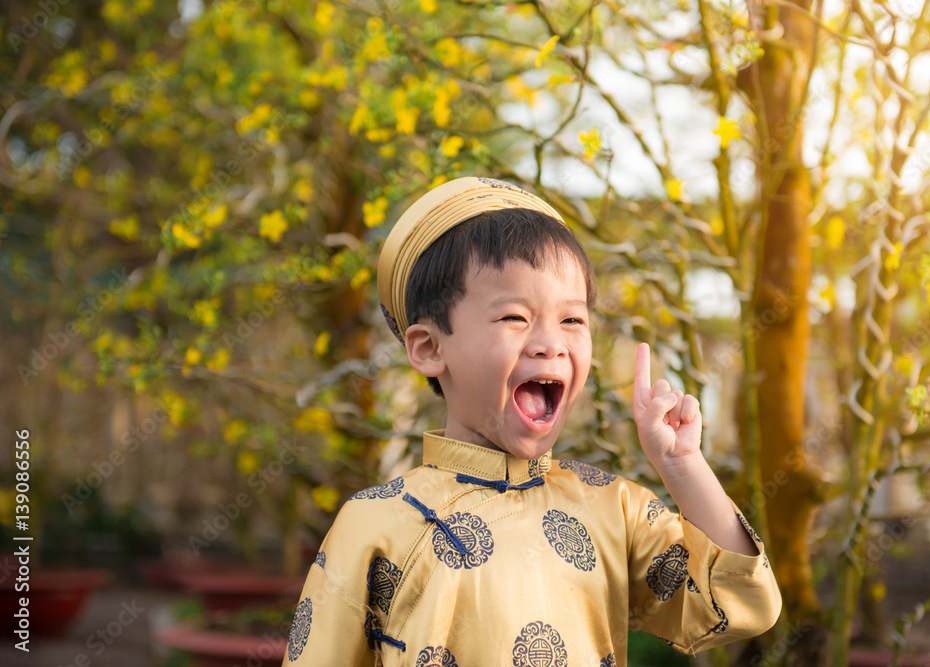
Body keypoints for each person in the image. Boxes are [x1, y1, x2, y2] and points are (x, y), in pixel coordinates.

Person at [282, 177, 780, 666]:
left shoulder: (616, 510)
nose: (552, 343)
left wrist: (683, 465)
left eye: (573, 320)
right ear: (431, 348)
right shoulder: (377, 522)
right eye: (515, 318)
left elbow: (738, 604)